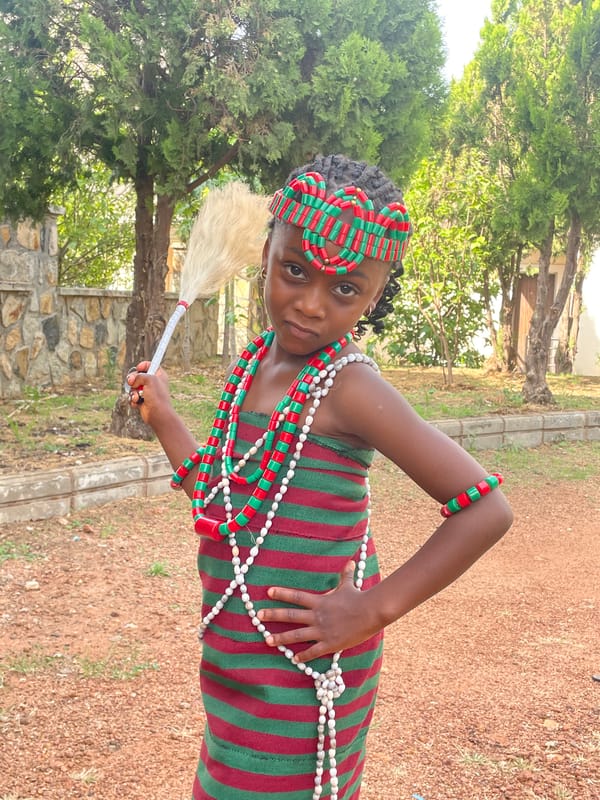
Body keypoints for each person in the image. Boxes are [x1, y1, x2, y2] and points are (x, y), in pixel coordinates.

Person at [126, 154, 513, 800]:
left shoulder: (351, 388)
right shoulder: (254, 365)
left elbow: (486, 508)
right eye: (295, 270)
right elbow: (229, 504)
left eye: (345, 290)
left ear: (375, 294)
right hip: (234, 663)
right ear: (267, 249)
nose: (309, 305)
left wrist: (373, 607)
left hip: (305, 669)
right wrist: (167, 420)